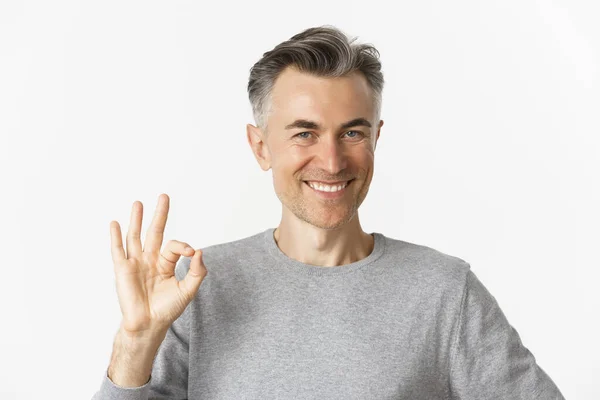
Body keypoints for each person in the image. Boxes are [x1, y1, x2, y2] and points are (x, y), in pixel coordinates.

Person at [92, 25, 565, 399]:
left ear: (376, 137)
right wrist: (135, 340)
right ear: (261, 147)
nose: (333, 162)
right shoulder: (192, 286)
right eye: (304, 133)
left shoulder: (445, 292)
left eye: (353, 133)